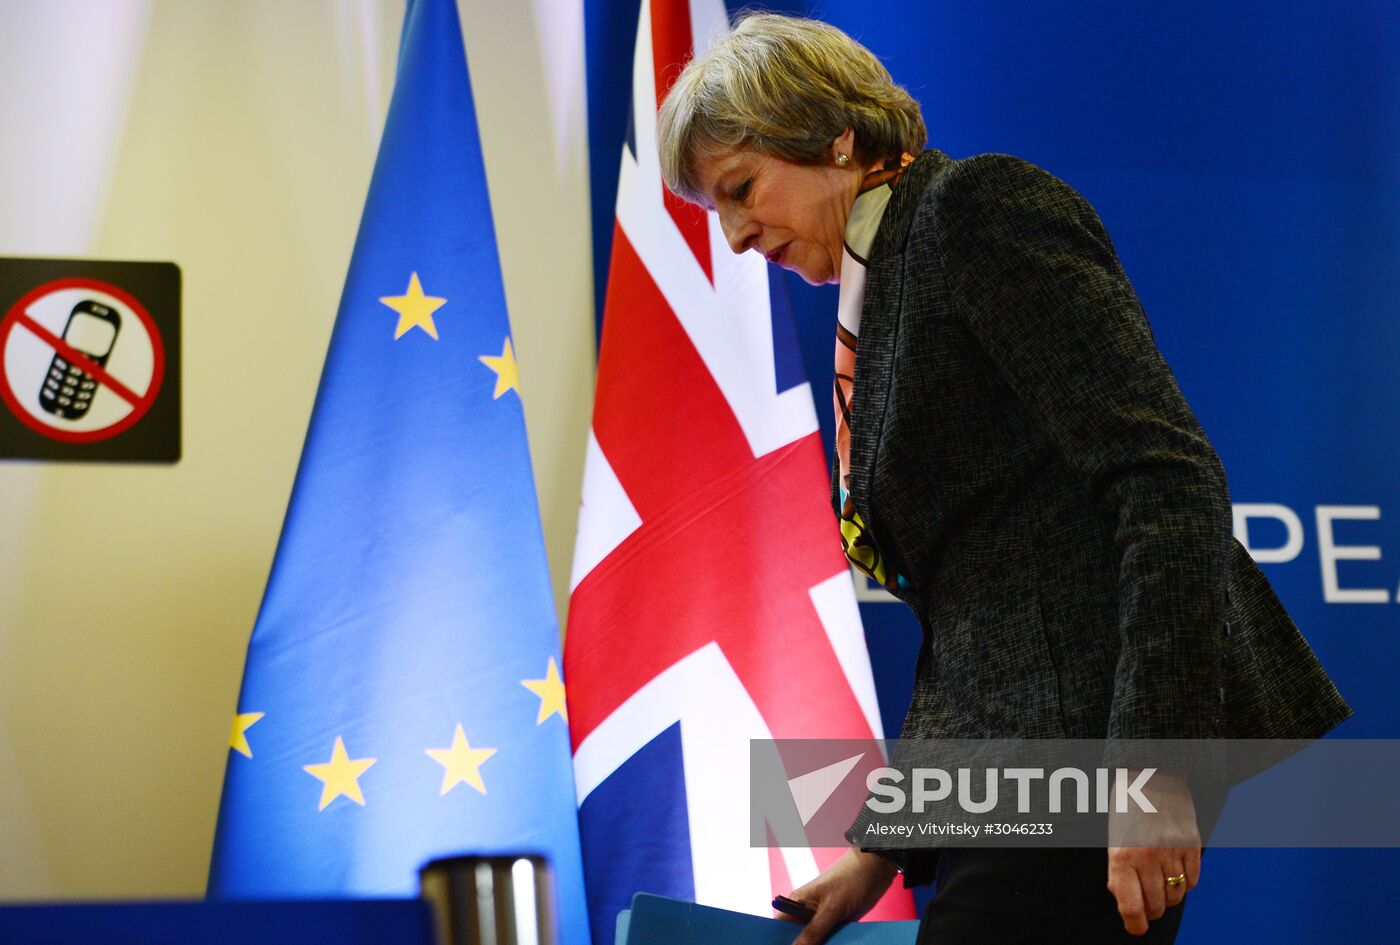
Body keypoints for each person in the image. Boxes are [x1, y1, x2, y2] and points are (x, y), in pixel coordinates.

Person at [656, 12, 1352, 945]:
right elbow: (980, 624)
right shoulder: (882, 285)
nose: (737, 236)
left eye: (741, 189)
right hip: (1018, 779)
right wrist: (882, 849)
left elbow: (1166, 476)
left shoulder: (973, 212)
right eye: (717, 213)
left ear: (832, 134)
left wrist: (1154, 769)